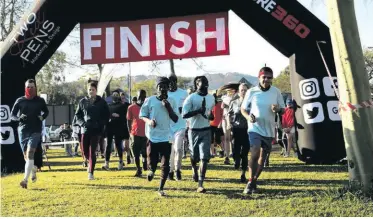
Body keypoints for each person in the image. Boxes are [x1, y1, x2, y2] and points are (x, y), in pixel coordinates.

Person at [241, 67, 285, 194]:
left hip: (269, 129)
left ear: (272, 78)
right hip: (255, 127)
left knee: (262, 158)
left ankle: (254, 181)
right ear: (259, 77)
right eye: (264, 77)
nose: (266, 79)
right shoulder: (251, 91)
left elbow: (283, 109)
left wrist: (278, 110)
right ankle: (250, 181)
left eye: (269, 77)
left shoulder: (276, 92)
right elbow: (243, 109)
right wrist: (249, 117)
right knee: (254, 152)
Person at [139, 77, 178, 196]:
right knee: (153, 161)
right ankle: (151, 170)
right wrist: (150, 121)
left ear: (168, 89)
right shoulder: (149, 100)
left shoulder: (172, 101)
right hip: (152, 137)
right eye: (160, 87)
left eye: (165, 87)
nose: (162, 89)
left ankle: (161, 188)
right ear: (156, 89)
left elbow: (175, 119)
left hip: (167, 137)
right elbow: (142, 115)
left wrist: (168, 107)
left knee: (166, 165)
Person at [10, 79, 49, 189]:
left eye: (32, 87)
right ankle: (33, 169)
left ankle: (25, 180)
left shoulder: (40, 100)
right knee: (26, 157)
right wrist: (19, 118)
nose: (30, 89)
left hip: (36, 130)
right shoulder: (20, 100)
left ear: (35, 88)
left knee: (31, 153)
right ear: (25, 88)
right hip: (23, 130)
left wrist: (42, 117)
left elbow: (46, 111)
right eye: (28, 87)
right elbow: (12, 115)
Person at [182, 76, 215, 193]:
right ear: (197, 84)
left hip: (206, 130)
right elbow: (184, 115)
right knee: (194, 157)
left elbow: (211, 114)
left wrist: (211, 117)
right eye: (203, 83)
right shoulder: (191, 98)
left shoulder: (211, 98)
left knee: (204, 157)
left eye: (207, 83)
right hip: (193, 130)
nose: (206, 85)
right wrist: (198, 111)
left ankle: (200, 184)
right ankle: (194, 169)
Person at [75, 81, 110, 180]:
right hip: (85, 129)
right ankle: (89, 161)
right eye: (89, 89)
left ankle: (91, 172)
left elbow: (107, 115)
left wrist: (101, 124)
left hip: (96, 130)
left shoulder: (102, 102)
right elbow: (78, 115)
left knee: (92, 151)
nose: (91, 91)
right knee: (85, 151)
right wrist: (82, 123)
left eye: (93, 90)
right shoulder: (82, 101)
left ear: (96, 90)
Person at [167, 75, 188, 181]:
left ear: (176, 82)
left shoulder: (184, 93)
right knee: (170, 150)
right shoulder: (165, 94)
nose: (171, 84)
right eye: (169, 82)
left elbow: (187, 108)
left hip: (180, 125)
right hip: (169, 126)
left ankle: (178, 170)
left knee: (178, 148)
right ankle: (170, 171)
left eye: (172, 82)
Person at [102, 90, 129, 170]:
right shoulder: (108, 106)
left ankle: (121, 162)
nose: (115, 96)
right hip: (109, 127)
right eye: (114, 94)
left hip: (119, 128)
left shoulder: (123, 106)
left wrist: (119, 116)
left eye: (117, 94)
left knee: (118, 145)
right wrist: (110, 117)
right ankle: (106, 164)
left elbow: (126, 117)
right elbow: (105, 116)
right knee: (108, 145)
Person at [228, 83, 249, 182]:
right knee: (236, 151)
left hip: (247, 130)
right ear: (239, 91)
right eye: (242, 90)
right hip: (236, 129)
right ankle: (236, 160)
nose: (243, 92)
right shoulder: (234, 102)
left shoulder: (251, 102)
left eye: (245, 90)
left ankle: (243, 174)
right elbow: (228, 114)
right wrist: (229, 124)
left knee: (244, 153)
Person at [127, 90, 148, 177]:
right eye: (140, 96)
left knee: (145, 152)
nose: (141, 98)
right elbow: (128, 120)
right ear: (137, 96)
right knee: (135, 152)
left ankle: (144, 162)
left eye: (143, 96)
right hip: (135, 133)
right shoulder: (131, 107)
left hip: (146, 133)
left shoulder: (148, 107)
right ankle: (138, 169)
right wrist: (130, 132)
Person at [221, 89, 235, 164]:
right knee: (227, 138)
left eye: (231, 90)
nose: (229, 92)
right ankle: (227, 156)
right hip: (225, 119)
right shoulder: (224, 98)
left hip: (234, 119)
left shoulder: (236, 98)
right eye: (228, 91)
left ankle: (234, 153)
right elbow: (222, 107)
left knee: (233, 138)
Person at [210, 93, 224, 158]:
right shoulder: (210, 105)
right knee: (211, 139)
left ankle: (222, 150)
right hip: (210, 124)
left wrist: (220, 123)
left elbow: (222, 115)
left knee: (218, 139)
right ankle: (212, 153)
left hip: (218, 124)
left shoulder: (219, 105)